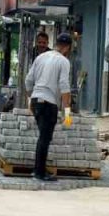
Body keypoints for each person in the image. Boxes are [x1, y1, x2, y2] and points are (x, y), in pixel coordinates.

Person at [24, 33, 72, 182]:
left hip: (36, 101)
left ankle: (39, 169)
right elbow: (64, 86)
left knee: (43, 137)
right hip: (48, 103)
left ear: (56, 43)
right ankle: (39, 173)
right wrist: (68, 114)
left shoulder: (41, 57)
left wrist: (31, 99)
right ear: (68, 47)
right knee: (45, 138)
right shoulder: (63, 61)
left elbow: (28, 80)